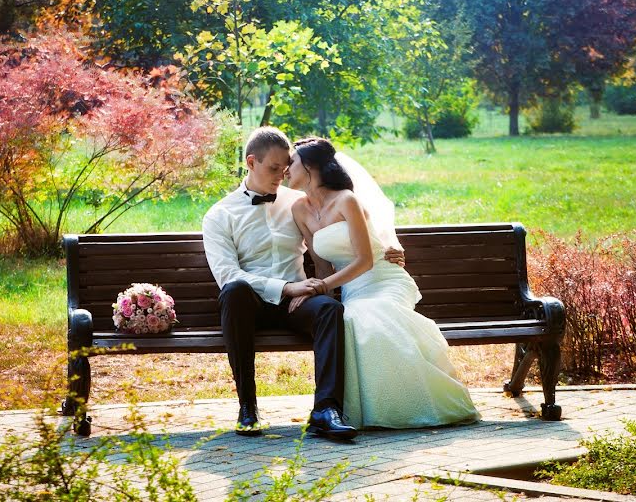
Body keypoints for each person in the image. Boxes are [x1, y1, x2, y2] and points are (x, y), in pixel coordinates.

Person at [202, 127, 403, 440]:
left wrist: (388, 243)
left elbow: (349, 218)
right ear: (250, 162)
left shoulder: (299, 202)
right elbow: (228, 274)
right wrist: (285, 288)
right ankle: (248, 407)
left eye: (285, 168)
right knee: (235, 290)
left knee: (329, 309)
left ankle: (325, 410)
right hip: (251, 305)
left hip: (297, 303)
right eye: (272, 168)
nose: (281, 176)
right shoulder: (220, 214)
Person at [288, 137, 480, 429]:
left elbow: (365, 260)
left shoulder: (346, 200)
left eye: (291, 162)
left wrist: (323, 287)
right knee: (347, 317)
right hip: (353, 290)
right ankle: (362, 410)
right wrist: (319, 294)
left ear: (310, 165)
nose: (286, 168)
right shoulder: (299, 210)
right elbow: (322, 264)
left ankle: (408, 405)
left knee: (366, 317)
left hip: (382, 279)